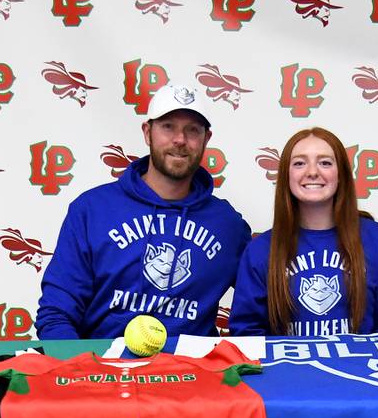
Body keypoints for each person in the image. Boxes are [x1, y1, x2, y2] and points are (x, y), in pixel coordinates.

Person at [35, 82, 250, 339]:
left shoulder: (228, 226)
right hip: (104, 370)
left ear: (206, 139)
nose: (180, 140)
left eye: (192, 130)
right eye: (168, 126)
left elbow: (264, 306)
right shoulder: (93, 210)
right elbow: (57, 313)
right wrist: (80, 371)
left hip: (192, 373)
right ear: (148, 132)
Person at [229, 127, 378, 336]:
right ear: (286, 176)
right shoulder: (260, 251)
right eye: (299, 163)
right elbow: (246, 334)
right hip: (289, 369)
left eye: (325, 162)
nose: (313, 172)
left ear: (341, 174)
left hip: (362, 368)